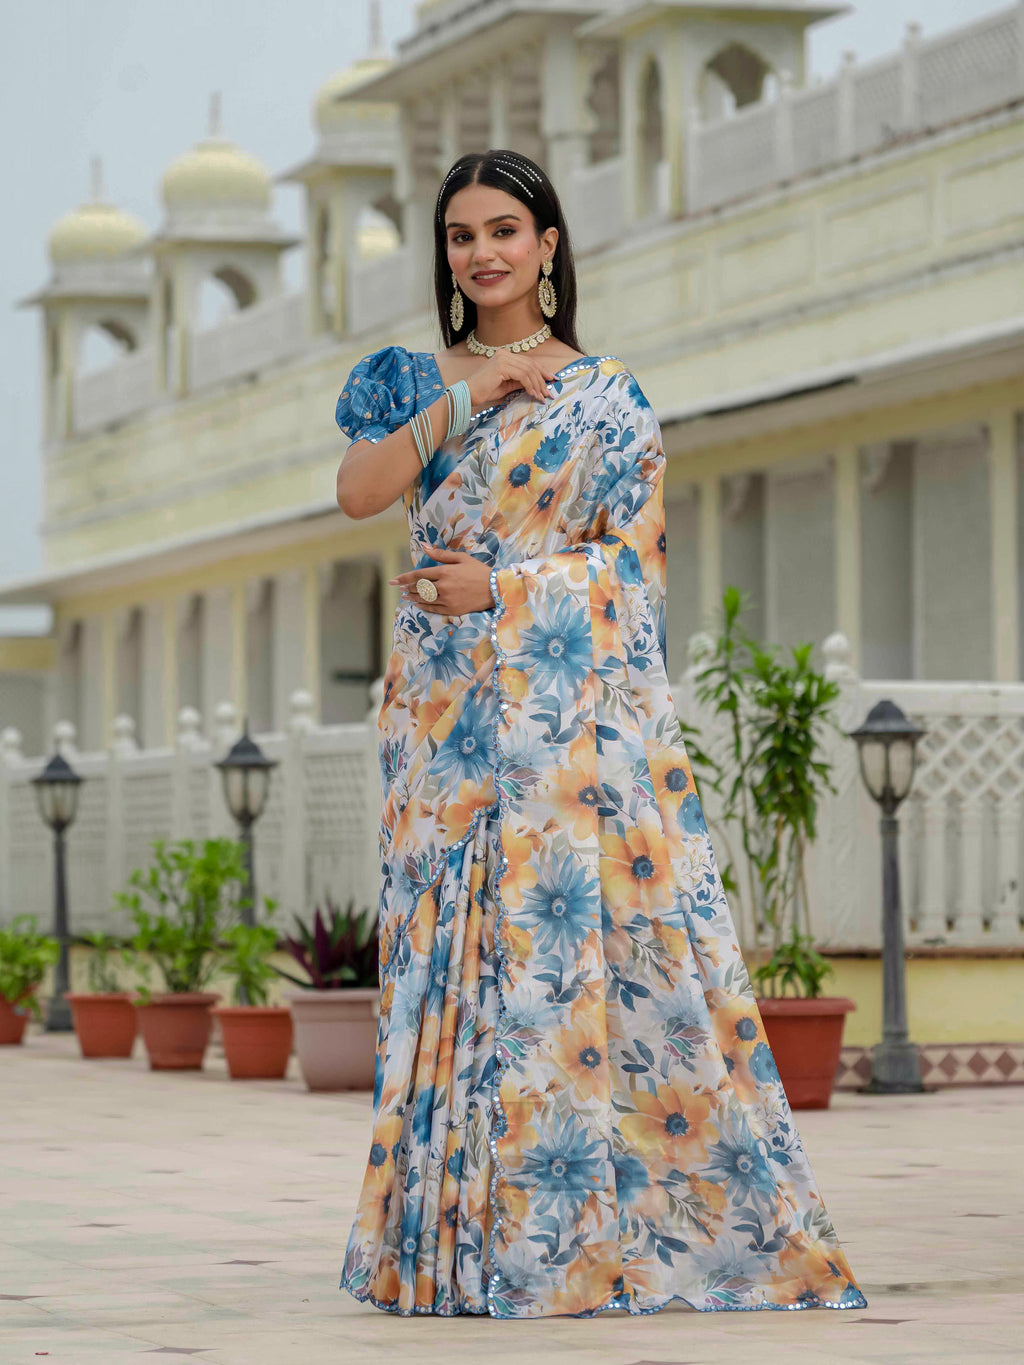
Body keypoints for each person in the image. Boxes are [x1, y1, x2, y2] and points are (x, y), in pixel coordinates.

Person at [333, 148, 867, 1321]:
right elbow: (360, 493)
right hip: (440, 730)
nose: (482, 253)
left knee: (558, 968)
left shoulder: (609, 399)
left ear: (547, 245)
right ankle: (448, 1248)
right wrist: (471, 394)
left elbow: (634, 574)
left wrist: (502, 588)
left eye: (504, 230)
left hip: (562, 730)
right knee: (447, 968)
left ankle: (568, 1243)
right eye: (461, 235)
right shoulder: (413, 380)